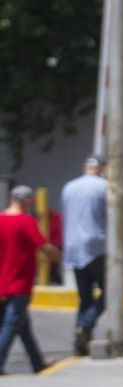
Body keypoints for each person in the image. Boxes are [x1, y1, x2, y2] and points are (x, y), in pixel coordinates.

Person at [0, 185, 61, 375]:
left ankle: (37, 362)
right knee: (11, 323)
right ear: (27, 202)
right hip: (19, 282)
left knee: (23, 325)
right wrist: (57, 254)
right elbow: (42, 245)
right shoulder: (26, 221)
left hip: (2, 282)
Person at [61, 155, 108, 355]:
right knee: (109, 294)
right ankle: (85, 325)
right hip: (97, 246)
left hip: (73, 247)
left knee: (85, 297)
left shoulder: (68, 187)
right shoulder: (105, 186)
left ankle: (80, 343)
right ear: (102, 168)